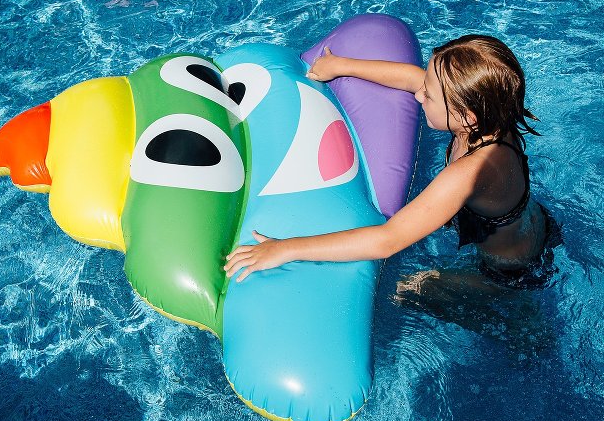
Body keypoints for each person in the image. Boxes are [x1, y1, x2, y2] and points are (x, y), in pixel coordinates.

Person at [223, 35, 561, 292]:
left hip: (509, 270)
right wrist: (344, 65)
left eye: (428, 95)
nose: (418, 95)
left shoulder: (471, 173)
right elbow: (415, 77)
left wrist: (286, 249)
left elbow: (388, 239)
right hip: (534, 223)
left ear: (467, 117)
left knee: (410, 290)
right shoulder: (491, 117)